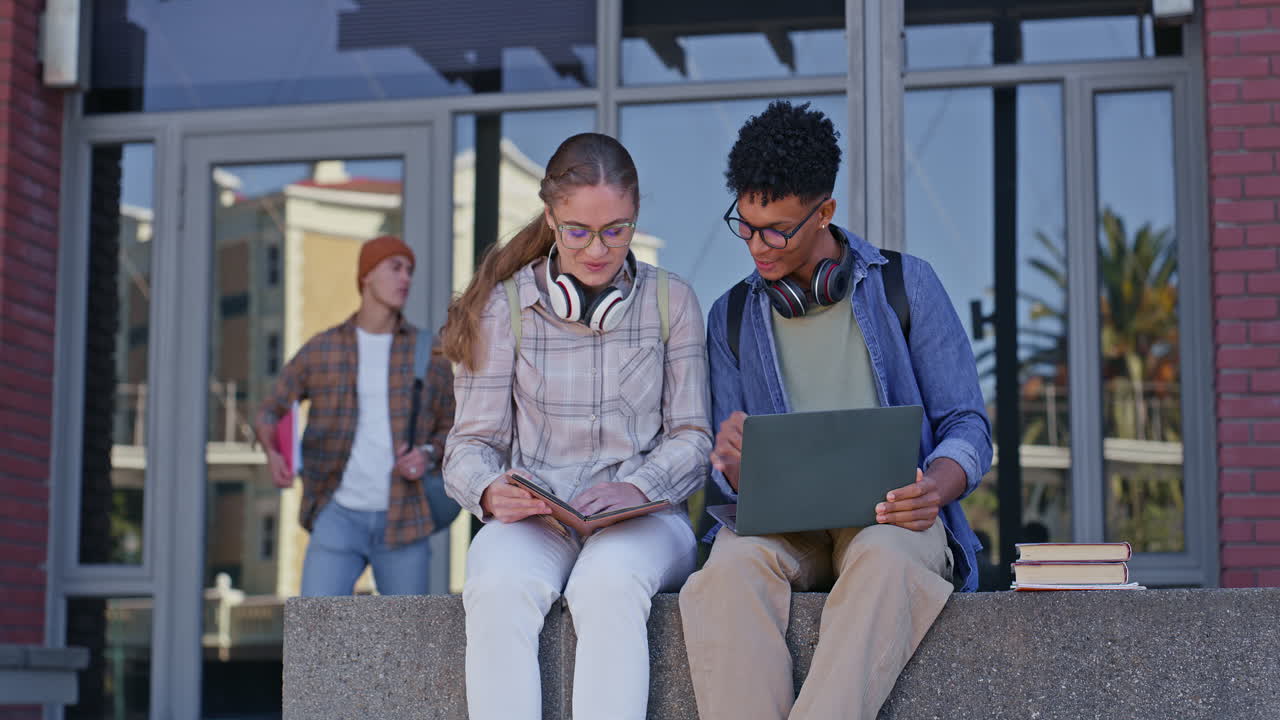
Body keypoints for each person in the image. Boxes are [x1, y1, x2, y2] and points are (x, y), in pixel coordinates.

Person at [678, 100, 993, 719]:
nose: (757, 247)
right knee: (723, 574)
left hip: (893, 521)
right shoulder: (731, 317)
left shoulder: (908, 285)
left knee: (881, 560)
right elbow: (729, 473)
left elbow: (968, 425)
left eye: (778, 230)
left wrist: (934, 486)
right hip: (783, 527)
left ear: (825, 211)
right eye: (745, 225)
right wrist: (734, 462)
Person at [441, 132, 711, 720]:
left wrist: (639, 486)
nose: (597, 249)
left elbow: (693, 437)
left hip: (644, 519)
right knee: (496, 589)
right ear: (551, 219)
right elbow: (468, 446)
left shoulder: (674, 302)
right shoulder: (503, 308)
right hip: (541, 519)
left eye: (617, 229)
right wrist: (491, 489)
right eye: (579, 232)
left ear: (635, 218)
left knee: (606, 586)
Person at [255, 234, 455, 597]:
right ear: (366, 276)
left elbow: (456, 429)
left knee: (407, 640)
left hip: (404, 517)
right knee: (314, 632)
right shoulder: (323, 349)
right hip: (337, 513)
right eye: (395, 268)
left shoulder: (429, 351)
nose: (405, 278)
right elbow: (271, 411)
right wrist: (275, 454)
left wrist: (426, 455)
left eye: (410, 270)